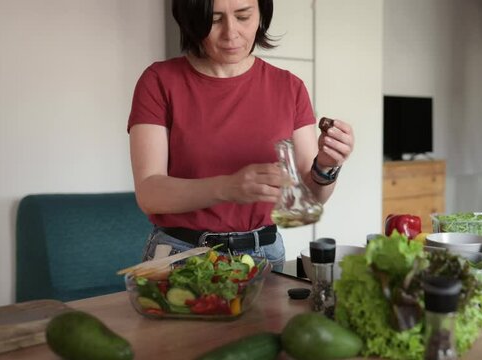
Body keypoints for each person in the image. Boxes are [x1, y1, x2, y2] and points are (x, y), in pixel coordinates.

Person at [127, 0, 354, 272]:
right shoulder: (159, 81)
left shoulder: (289, 87)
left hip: (265, 255)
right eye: (215, 20)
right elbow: (149, 192)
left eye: (243, 16)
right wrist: (228, 187)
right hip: (181, 254)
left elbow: (307, 197)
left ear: (261, 15)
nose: (231, 32)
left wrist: (326, 166)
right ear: (192, 19)